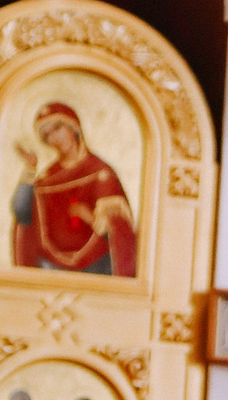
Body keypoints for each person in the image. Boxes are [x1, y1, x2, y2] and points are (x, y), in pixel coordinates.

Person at [11, 101, 138, 276]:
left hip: (96, 265)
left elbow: (119, 231)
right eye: (47, 135)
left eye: (57, 129)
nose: (54, 138)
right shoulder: (47, 178)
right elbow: (22, 213)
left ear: (74, 127)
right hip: (51, 266)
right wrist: (30, 168)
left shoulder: (99, 172)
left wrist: (90, 217)